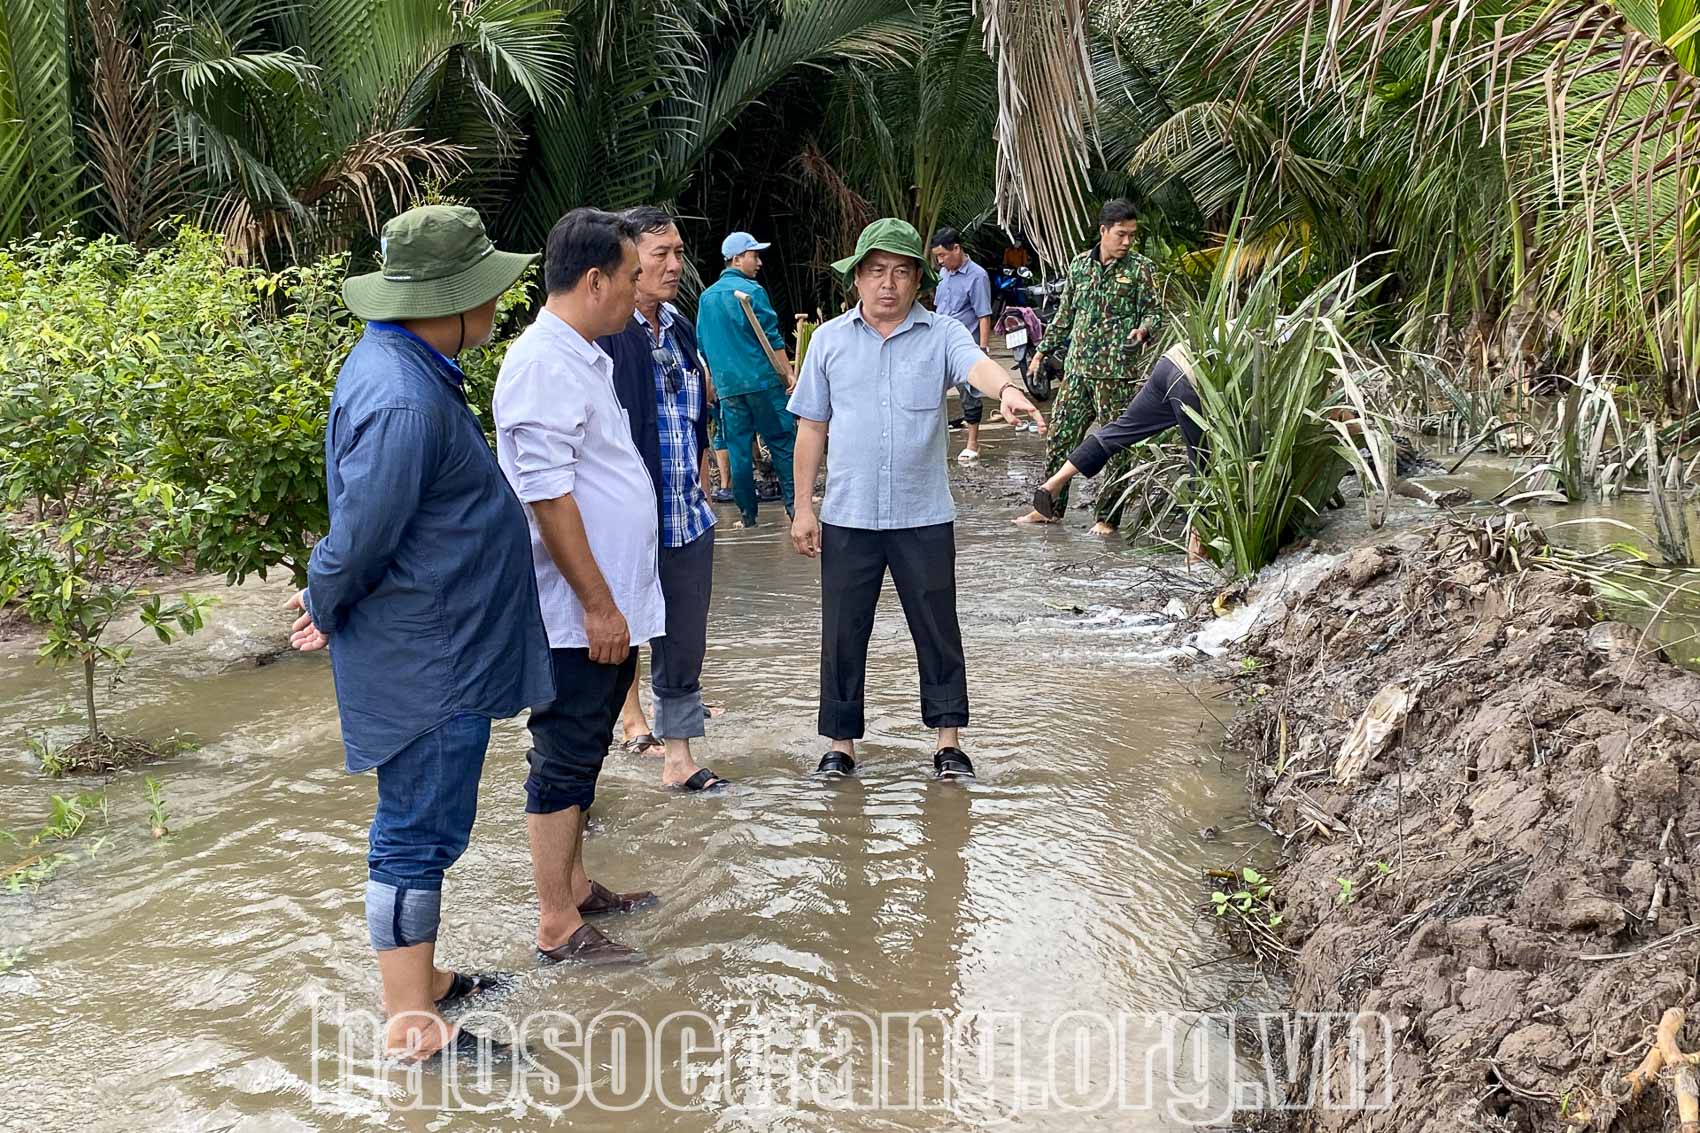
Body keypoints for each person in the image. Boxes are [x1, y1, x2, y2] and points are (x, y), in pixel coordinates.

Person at [286, 205, 552, 1062]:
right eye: (488, 295)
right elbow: (362, 532)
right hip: (430, 657)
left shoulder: (405, 362)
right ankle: (410, 1021)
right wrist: (323, 601)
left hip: (440, 641)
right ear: (454, 301)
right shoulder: (403, 395)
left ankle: (424, 978)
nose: (496, 309)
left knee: (423, 817)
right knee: (415, 829)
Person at [788, 218, 1046, 782]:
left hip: (922, 514)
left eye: (901, 272)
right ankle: (841, 745)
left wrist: (1007, 390)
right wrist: (803, 506)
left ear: (917, 280)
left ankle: (947, 743)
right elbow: (811, 427)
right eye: (876, 271)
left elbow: (977, 365)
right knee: (841, 632)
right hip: (848, 516)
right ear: (856, 278)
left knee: (936, 628)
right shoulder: (828, 341)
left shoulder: (941, 334)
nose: (888, 284)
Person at [493, 208, 663, 966]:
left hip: (608, 607)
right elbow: (548, 496)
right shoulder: (539, 364)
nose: (638, 290)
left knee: (587, 744)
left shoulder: (583, 354)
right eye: (631, 277)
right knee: (562, 755)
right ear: (594, 281)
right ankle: (557, 922)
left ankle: (579, 883)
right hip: (575, 614)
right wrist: (597, 603)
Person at [596, 206, 728, 792]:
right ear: (629, 262)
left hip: (686, 514)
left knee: (683, 639)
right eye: (662, 255)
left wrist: (702, 474)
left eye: (679, 252)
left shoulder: (680, 325)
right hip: (628, 520)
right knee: (611, 637)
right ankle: (589, 767)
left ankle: (679, 756)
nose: (676, 265)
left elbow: (694, 410)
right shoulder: (604, 334)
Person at [1014, 199, 1164, 534]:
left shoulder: (1141, 270)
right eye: (1121, 234)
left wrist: (1143, 330)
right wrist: (1041, 352)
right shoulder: (1080, 267)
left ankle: (1107, 519)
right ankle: (1048, 510)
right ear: (1103, 231)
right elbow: (1065, 316)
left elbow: (1156, 312)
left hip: (1116, 375)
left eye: (1132, 236)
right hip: (1078, 371)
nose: (1127, 242)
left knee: (1118, 447)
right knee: (1061, 440)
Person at [1028, 341, 1207, 561]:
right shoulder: (1258, 339)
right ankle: (1196, 552)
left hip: (1169, 361)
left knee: (1120, 430)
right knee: (1201, 460)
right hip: (1191, 378)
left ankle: (1053, 483)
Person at [696, 231, 796, 527]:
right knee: (781, 443)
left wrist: (713, 382)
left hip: (728, 388)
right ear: (738, 258)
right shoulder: (752, 291)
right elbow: (771, 338)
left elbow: (702, 344)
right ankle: (794, 508)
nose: (759, 262)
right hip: (762, 382)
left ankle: (747, 515)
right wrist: (787, 373)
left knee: (738, 449)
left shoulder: (707, 298)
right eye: (754, 255)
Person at [929, 226, 993, 462]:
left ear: (956, 248)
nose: (940, 261)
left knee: (969, 394)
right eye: (937, 256)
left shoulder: (977, 276)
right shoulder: (944, 274)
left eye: (943, 255)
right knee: (930, 389)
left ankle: (973, 444)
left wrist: (983, 350)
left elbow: (983, 314)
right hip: (939, 342)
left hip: (965, 345)